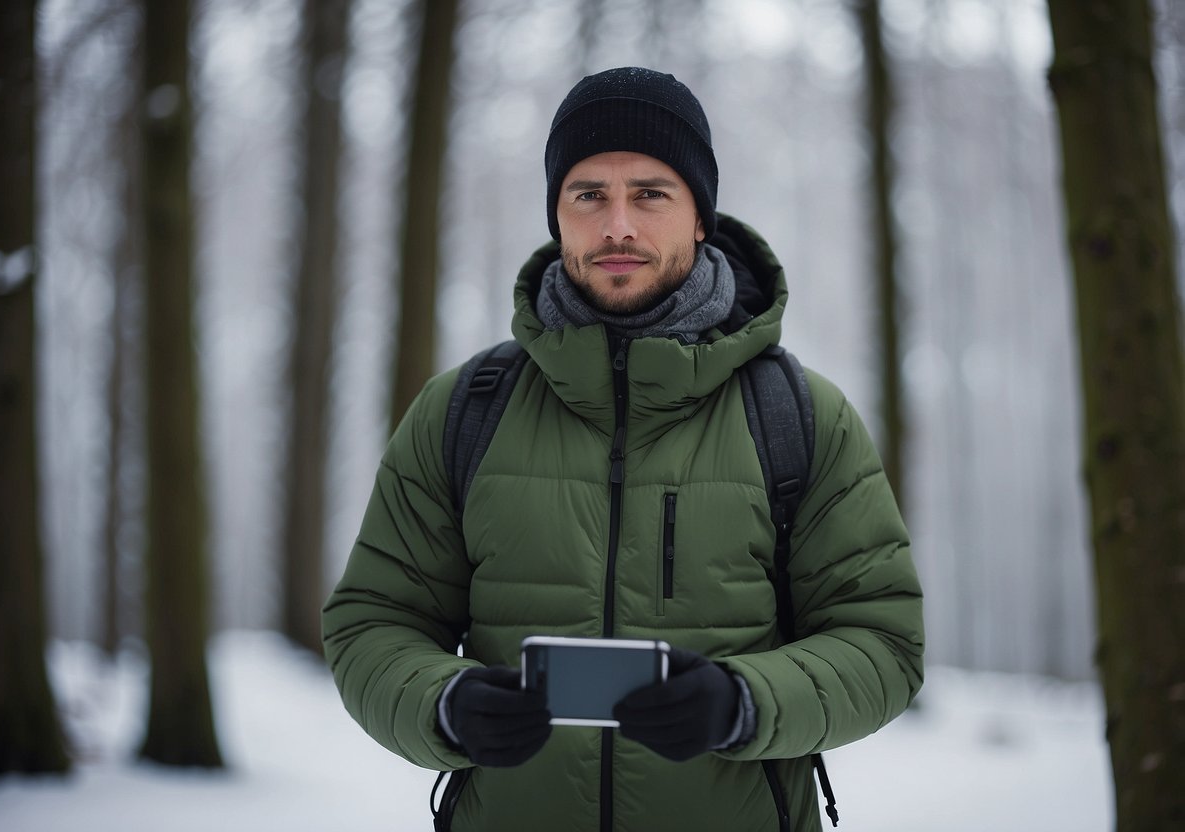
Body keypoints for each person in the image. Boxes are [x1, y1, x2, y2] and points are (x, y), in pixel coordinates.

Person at [322, 67, 924, 832]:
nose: (617, 228)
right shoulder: (462, 410)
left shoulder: (797, 416)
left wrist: (744, 703)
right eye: (588, 195)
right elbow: (374, 620)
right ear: (557, 215)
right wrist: (441, 702)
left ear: (699, 216)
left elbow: (882, 645)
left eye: (649, 194)